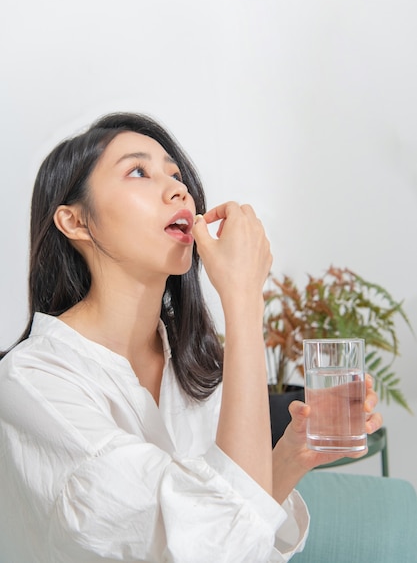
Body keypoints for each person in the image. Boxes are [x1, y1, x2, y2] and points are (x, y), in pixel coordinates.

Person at [0, 112, 382, 562]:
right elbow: (197, 539)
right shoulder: (32, 382)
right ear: (76, 223)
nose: (177, 189)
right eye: (138, 171)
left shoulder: (197, 368)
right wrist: (242, 299)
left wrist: (289, 458)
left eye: (175, 173)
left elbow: (229, 532)